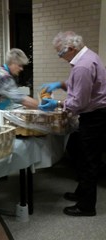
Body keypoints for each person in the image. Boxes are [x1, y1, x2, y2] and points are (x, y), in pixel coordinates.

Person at [39, 31, 106, 217]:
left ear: (70, 48)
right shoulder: (88, 57)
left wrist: (58, 104)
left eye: (60, 53)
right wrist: (60, 84)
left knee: (89, 160)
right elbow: (77, 85)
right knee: (77, 150)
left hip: (95, 117)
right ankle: (81, 192)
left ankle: (86, 206)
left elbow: (79, 103)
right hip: (94, 115)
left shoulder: (83, 66)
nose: (61, 58)